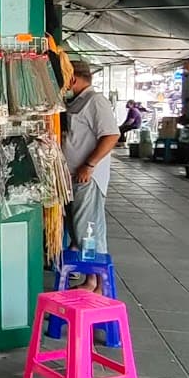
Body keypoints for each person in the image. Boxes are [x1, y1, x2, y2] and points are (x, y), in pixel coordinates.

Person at [64, 61, 120, 288]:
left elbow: (111, 135)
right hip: (73, 177)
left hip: (87, 177)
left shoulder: (95, 101)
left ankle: (96, 283)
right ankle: (90, 278)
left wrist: (89, 164)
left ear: (73, 79)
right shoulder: (78, 101)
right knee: (78, 229)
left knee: (89, 229)